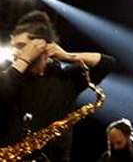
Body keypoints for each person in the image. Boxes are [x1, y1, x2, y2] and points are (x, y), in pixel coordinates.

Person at [0, 10, 116, 162]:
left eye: (21, 46)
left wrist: (69, 56)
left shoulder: (65, 78)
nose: (15, 52)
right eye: (14, 46)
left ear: (42, 47)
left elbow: (107, 63)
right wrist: (23, 60)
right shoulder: (10, 75)